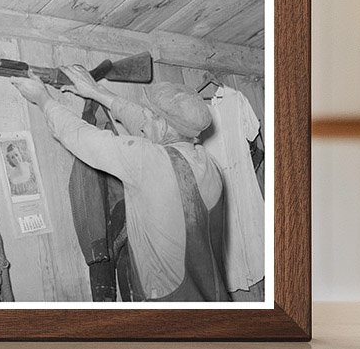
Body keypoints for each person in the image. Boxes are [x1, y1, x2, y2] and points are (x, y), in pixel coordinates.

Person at [12, 65, 230, 302]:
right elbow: (147, 124)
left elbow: (80, 136)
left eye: (149, 113)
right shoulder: (209, 165)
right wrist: (96, 92)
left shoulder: (147, 161)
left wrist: (43, 99)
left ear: (165, 125)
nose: (142, 118)